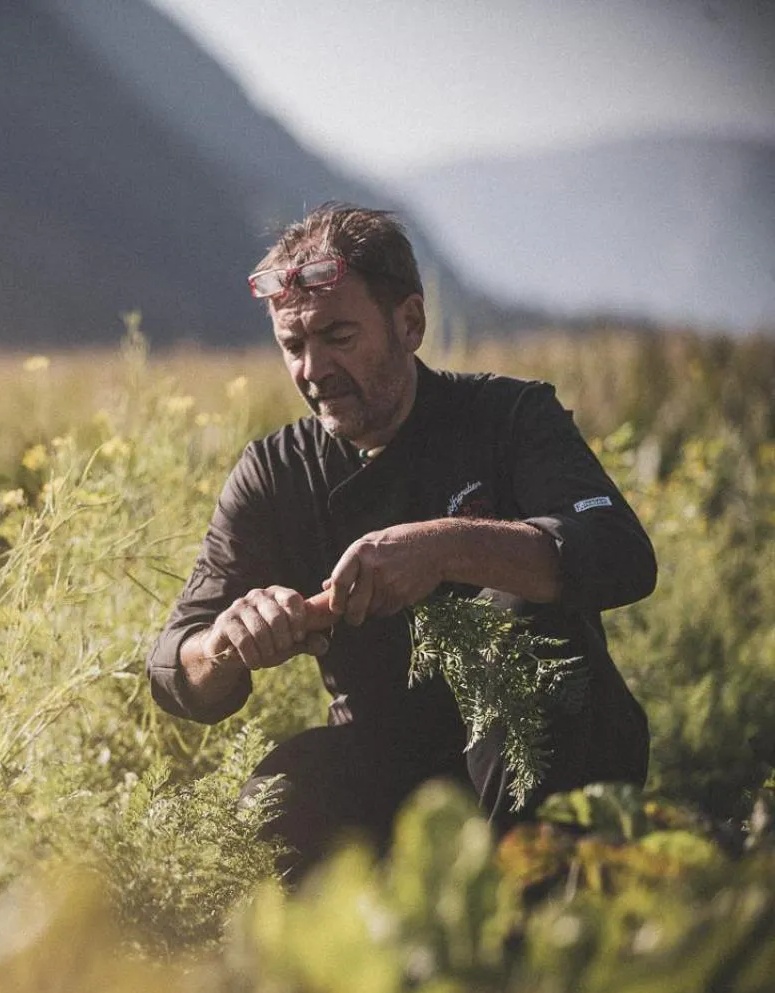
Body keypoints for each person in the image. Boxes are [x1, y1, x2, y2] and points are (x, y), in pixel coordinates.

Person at [145, 203, 654, 883]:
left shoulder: (509, 416)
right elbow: (173, 663)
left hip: (547, 757)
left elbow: (621, 552)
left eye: (338, 336)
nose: (312, 369)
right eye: (293, 346)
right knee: (279, 794)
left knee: (523, 626)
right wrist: (228, 643)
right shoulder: (275, 474)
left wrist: (444, 547)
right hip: (389, 766)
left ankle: (535, 935)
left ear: (409, 322)